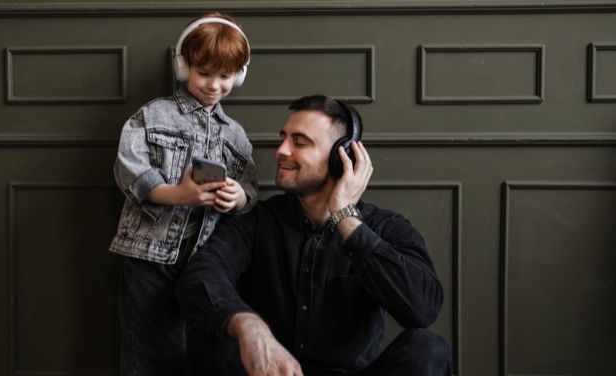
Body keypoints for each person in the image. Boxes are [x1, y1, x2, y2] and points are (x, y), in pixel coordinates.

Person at [176, 95, 452, 375]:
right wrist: (249, 326)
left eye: (299, 142)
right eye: (283, 138)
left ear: (340, 157)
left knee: (429, 350)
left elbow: (422, 309)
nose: (281, 150)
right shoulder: (256, 221)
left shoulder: (386, 227)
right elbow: (200, 276)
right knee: (210, 337)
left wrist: (345, 219)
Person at [108, 12, 258, 376]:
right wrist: (180, 194)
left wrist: (237, 198)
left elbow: (251, 187)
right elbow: (129, 171)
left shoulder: (235, 134)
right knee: (151, 351)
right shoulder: (153, 116)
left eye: (224, 77)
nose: (213, 85)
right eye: (204, 73)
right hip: (149, 256)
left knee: (199, 351)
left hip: (204, 259)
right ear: (183, 66)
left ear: (238, 76)